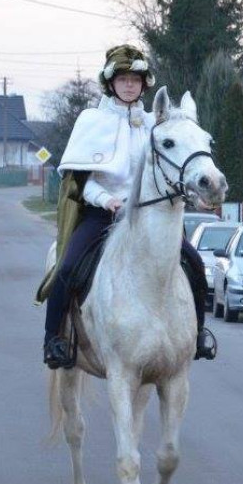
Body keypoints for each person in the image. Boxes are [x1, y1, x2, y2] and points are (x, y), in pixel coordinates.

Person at [37, 44, 216, 369]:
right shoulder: (92, 121)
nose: (129, 85)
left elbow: (173, 169)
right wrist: (107, 200)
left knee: (194, 262)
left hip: (152, 219)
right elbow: (79, 181)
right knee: (66, 268)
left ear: (144, 83)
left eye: (135, 79)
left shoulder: (156, 124)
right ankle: (54, 340)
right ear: (111, 83)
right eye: (123, 79)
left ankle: (198, 334)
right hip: (102, 216)